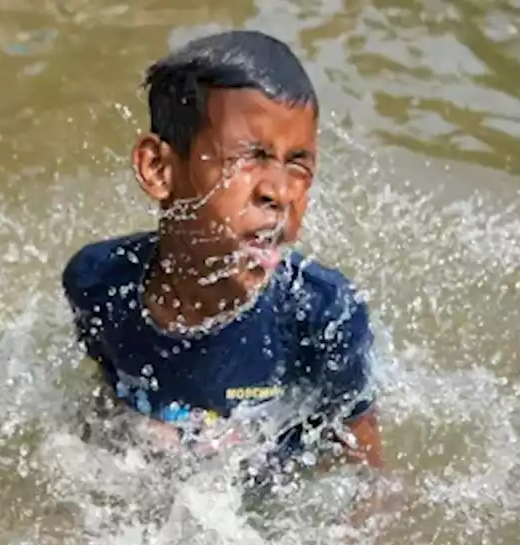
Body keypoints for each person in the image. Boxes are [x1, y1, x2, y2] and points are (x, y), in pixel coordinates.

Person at [60, 30, 385, 503]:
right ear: (159, 169)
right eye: (249, 157)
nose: (279, 191)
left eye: (298, 164)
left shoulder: (323, 314)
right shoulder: (98, 282)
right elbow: (104, 398)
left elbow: (367, 473)